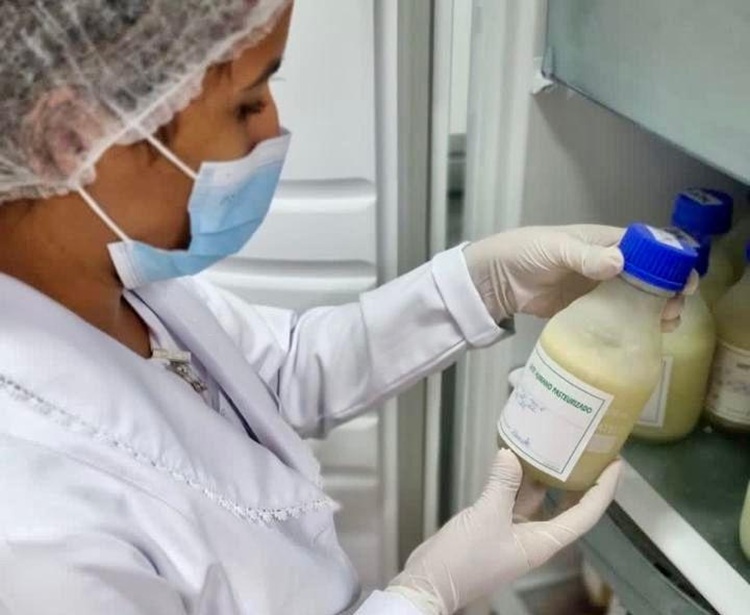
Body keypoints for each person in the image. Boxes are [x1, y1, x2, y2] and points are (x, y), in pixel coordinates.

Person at [0, 2, 688, 614]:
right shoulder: (33, 534)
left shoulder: (111, 277)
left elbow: (278, 371)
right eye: (247, 101)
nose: (273, 128)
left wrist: (485, 284)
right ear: (70, 136)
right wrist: (422, 597)